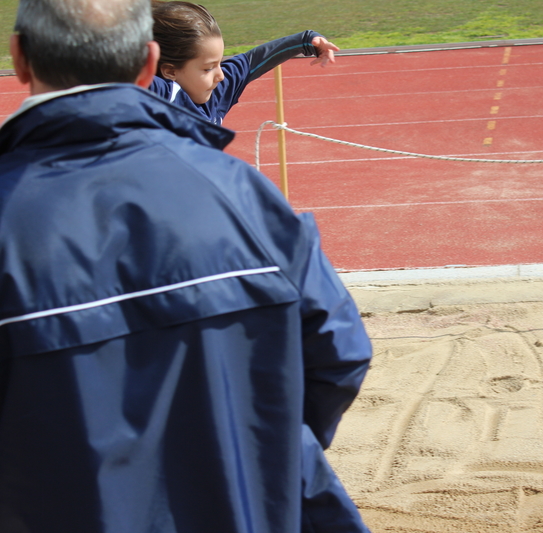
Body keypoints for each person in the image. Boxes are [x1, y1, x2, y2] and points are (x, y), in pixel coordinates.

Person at [0, 1, 372, 532]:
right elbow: (340, 350)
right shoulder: (250, 198)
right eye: (208, 66)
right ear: (153, 63)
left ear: (19, 58)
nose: (219, 75)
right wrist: (261, 442)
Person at [149, 0, 339, 125]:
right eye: (208, 68)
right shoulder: (159, 95)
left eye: (219, 63)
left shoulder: (218, 92)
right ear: (170, 72)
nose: (220, 75)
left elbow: (254, 60)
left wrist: (307, 41)